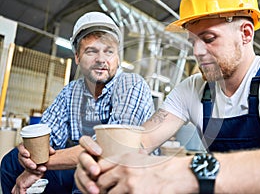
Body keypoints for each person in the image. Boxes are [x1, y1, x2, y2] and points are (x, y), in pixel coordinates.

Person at [74, 0, 260, 193]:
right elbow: (141, 141)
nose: (197, 52)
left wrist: (186, 172)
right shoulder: (193, 89)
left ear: (246, 33)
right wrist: (99, 162)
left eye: (209, 39)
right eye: (192, 41)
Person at [0, 11, 155, 194]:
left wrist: (37, 165)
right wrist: (29, 155)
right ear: (77, 57)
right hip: (84, 163)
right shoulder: (71, 91)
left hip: (130, 171)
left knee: (90, 177)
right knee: (11, 162)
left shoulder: (131, 84)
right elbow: (48, 137)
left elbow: (112, 150)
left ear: (118, 58)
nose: (101, 59)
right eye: (91, 51)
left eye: (109, 51)